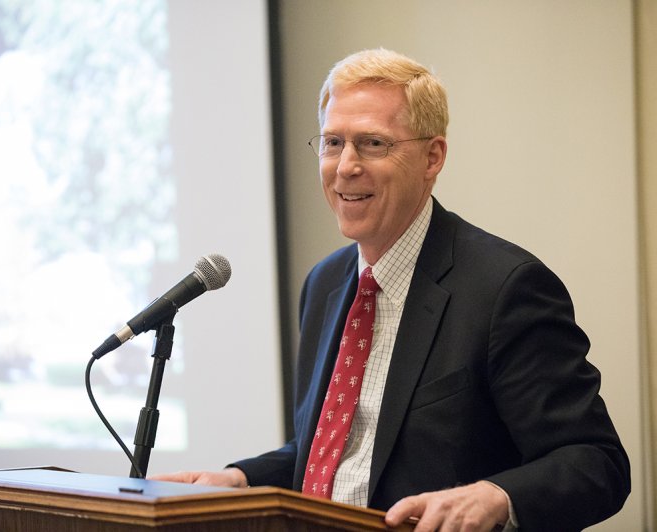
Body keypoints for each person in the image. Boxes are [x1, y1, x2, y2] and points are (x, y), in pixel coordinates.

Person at [153, 48, 630, 531]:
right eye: (333, 142)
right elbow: (330, 451)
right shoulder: (323, 284)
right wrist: (240, 478)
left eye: (373, 144)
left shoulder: (505, 289)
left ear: (432, 157)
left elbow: (596, 463)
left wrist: (496, 496)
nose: (345, 167)